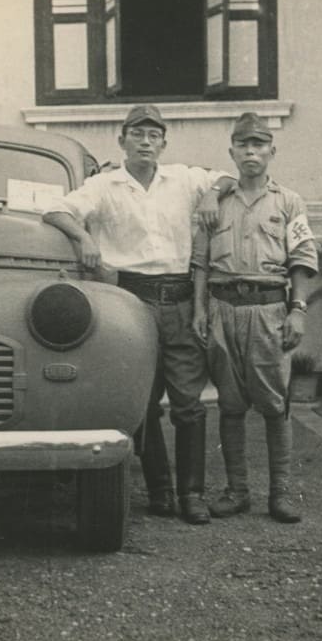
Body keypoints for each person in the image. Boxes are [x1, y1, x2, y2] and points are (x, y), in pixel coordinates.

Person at [43, 104, 235, 525]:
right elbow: (56, 210)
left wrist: (210, 192)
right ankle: (160, 490)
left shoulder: (184, 178)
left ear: (163, 143)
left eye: (154, 136)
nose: (146, 143)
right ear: (122, 140)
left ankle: (191, 494)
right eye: (137, 135)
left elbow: (228, 176)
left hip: (182, 299)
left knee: (189, 401)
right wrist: (82, 238)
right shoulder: (105, 185)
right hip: (132, 301)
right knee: (141, 401)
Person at [192, 112, 318, 524]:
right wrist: (199, 312)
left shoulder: (289, 201)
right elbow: (199, 265)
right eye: (243, 145)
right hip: (222, 310)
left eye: (259, 145)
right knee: (229, 405)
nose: (251, 152)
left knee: (273, 403)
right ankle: (237, 491)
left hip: (268, 310)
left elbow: (301, 259)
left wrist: (297, 310)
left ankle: (279, 494)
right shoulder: (214, 203)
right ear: (232, 152)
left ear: (271, 151)